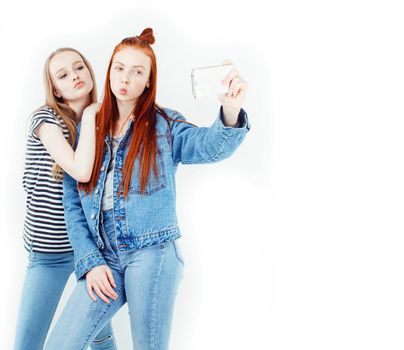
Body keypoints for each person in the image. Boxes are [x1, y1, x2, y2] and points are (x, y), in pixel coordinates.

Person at [44, 28, 251, 350]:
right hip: (104, 256)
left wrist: (230, 110)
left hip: (153, 254)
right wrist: (90, 260)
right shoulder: (90, 126)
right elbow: (72, 201)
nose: (126, 77)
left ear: (149, 81)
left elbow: (210, 147)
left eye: (137, 71)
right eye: (119, 68)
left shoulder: (165, 125)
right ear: (110, 70)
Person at [14, 48, 117, 350]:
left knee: (101, 337)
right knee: (28, 344)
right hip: (49, 252)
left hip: (89, 250)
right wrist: (89, 114)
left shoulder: (103, 121)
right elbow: (80, 170)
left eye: (79, 67)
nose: (74, 76)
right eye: (63, 74)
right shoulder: (45, 120)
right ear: (55, 89)